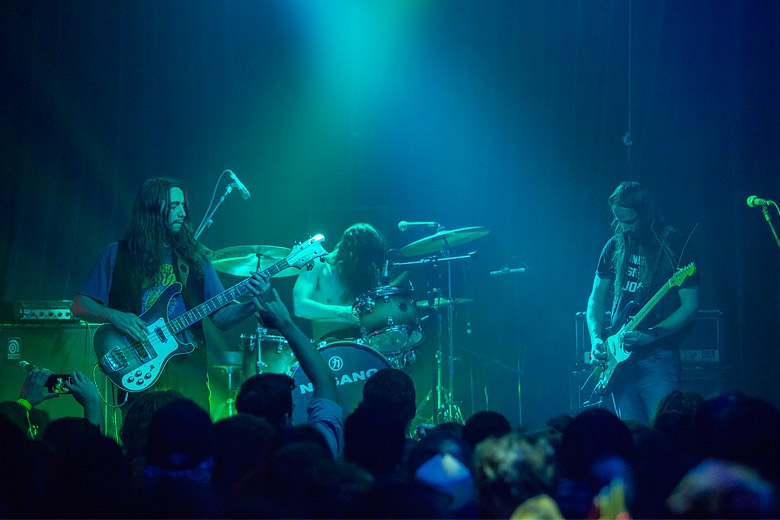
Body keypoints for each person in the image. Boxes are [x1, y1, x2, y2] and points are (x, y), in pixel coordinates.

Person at [71, 177, 270, 414]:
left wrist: (253, 303)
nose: (183, 212)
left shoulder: (196, 258)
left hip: (189, 370)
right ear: (153, 209)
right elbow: (79, 305)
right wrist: (115, 316)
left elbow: (221, 318)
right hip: (138, 366)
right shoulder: (117, 254)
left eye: (183, 205)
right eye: (174, 206)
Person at [587, 181, 699, 424]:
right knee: (631, 437)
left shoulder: (674, 244)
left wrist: (653, 334)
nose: (624, 228)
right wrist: (596, 339)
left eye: (630, 221)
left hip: (657, 356)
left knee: (665, 432)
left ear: (646, 214)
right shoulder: (614, 246)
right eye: (619, 221)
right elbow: (595, 299)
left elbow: (690, 306)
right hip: (619, 359)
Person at [236, 286, 343, 456]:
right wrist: (285, 324)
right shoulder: (316, 449)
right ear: (288, 415)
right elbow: (325, 381)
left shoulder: (232, 461)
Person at [292, 222, 387, 342]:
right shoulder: (318, 265)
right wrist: (343, 312)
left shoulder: (366, 275)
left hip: (362, 345)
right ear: (352, 253)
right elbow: (299, 306)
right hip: (328, 346)